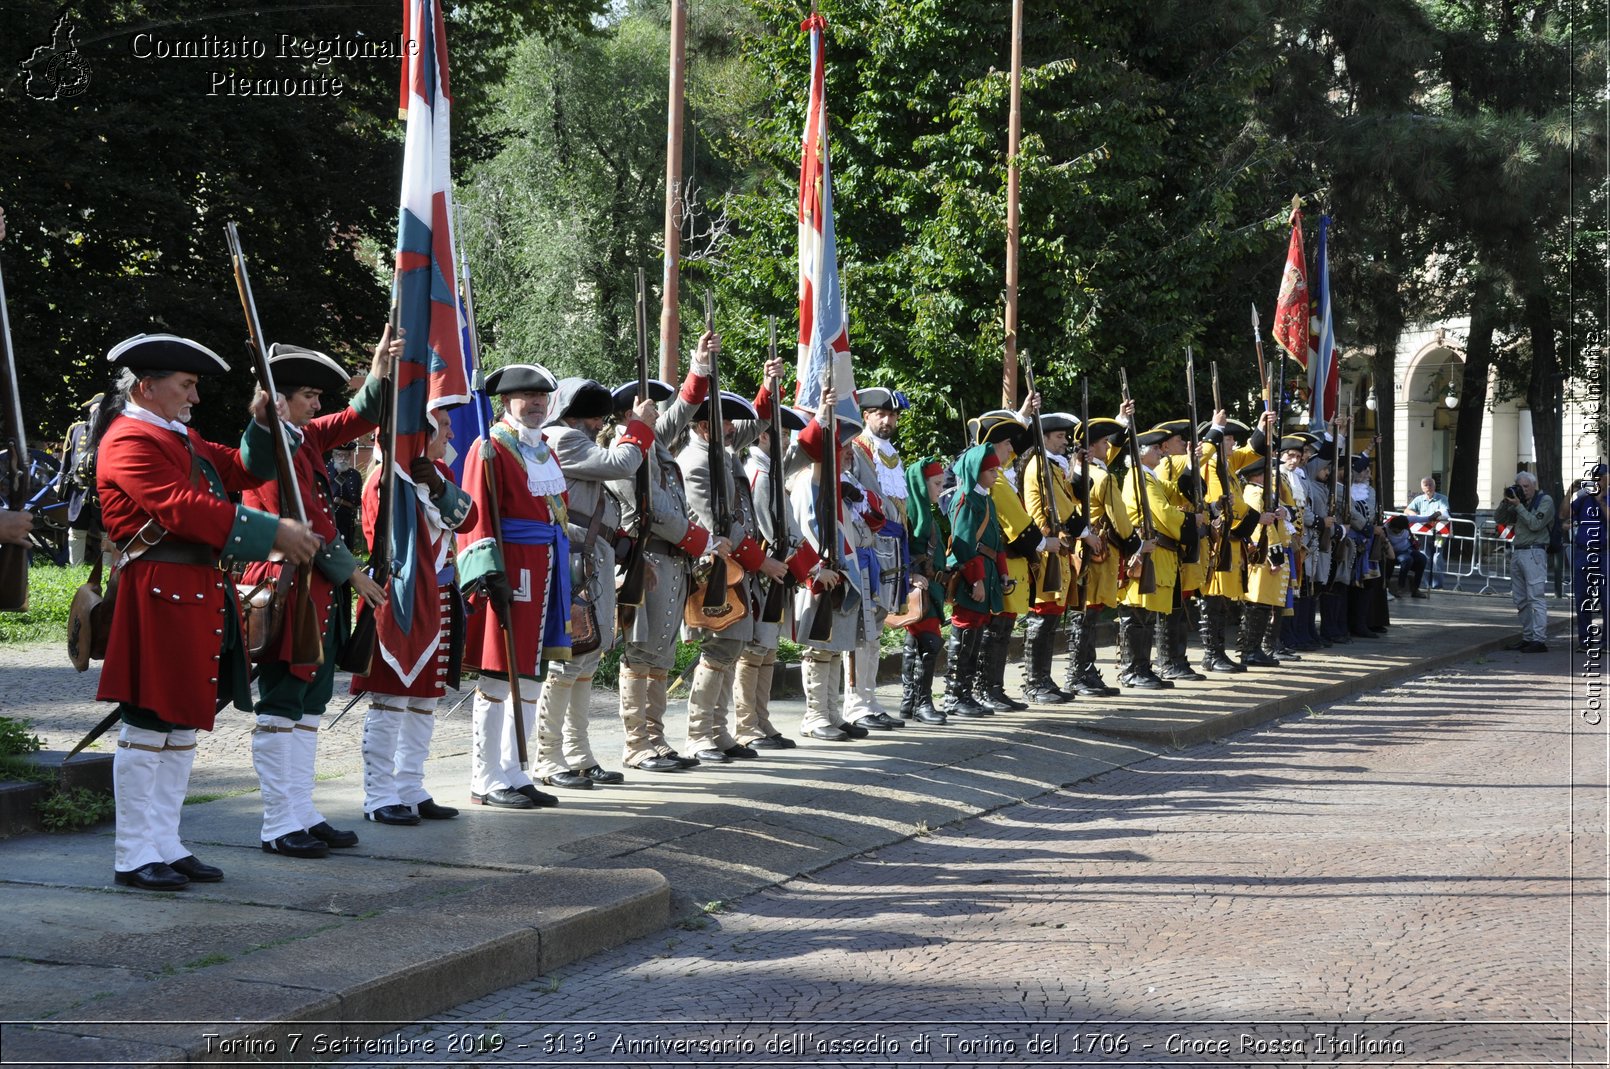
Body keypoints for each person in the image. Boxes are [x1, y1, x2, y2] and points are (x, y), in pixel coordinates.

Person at [95, 333, 320, 890]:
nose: (194, 397)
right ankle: (132, 853)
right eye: (187, 385)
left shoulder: (180, 437)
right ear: (147, 388)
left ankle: (165, 843)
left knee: (182, 725)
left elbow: (243, 470)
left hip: (193, 592)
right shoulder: (128, 439)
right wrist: (272, 531)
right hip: (156, 591)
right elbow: (181, 508)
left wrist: (263, 422)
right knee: (147, 723)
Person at [241, 340, 391, 859]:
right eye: (307, 395)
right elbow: (303, 522)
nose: (317, 406)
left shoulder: (301, 437)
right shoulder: (267, 444)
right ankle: (278, 823)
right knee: (282, 705)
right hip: (288, 586)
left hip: (315, 588)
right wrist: (351, 572)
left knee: (309, 705)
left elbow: (359, 417)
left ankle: (301, 811)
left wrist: (376, 371)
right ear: (278, 400)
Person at [529, 377, 655, 789]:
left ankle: (579, 755)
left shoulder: (577, 441)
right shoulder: (562, 438)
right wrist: (639, 426)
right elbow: (622, 464)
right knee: (567, 659)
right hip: (572, 560)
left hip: (591, 557)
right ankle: (548, 757)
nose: (597, 422)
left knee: (586, 658)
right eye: (592, 414)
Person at [351, 416, 475, 825]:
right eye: (442, 426)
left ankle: (410, 787)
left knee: (424, 700)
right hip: (399, 599)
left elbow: (468, 519)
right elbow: (387, 546)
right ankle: (379, 794)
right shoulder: (383, 480)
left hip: (437, 596)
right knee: (391, 701)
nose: (451, 433)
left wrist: (438, 488)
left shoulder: (439, 473)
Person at [609, 339, 725, 772]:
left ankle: (655, 739)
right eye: (650, 407)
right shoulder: (627, 451)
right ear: (629, 412)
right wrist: (697, 539)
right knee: (641, 653)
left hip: (671, 561)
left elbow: (684, 408)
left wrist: (699, 366)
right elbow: (652, 510)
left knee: (660, 653)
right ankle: (637, 744)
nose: (659, 412)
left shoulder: (652, 445)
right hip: (648, 560)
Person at [458, 363, 569, 809]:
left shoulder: (544, 449)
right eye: (527, 397)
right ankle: (486, 778)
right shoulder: (489, 448)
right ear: (507, 402)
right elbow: (475, 516)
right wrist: (488, 573)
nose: (537, 404)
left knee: (529, 676)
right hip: (509, 572)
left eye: (542, 397)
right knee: (496, 676)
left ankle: (515, 770)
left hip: (546, 570)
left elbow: (556, 514)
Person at [790, 389, 872, 741]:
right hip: (818, 576)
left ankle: (832, 713)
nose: (847, 450)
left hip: (838, 574)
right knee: (818, 647)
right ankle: (814, 716)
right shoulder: (809, 484)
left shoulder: (832, 484)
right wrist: (819, 570)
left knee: (835, 647)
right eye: (841, 445)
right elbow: (806, 528)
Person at [1063, 410, 1137, 696]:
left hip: (1086, 549)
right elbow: (1119, 517)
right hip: (1096, 550)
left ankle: (1085, 669)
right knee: (1087, 612)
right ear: (1091, 447)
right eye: (1104, 443)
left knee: (1088, 612)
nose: (1109, 447)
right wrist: (1135, 544)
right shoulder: (1101, 478)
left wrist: (1121, 421)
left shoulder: (1080, 472)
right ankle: (1078, 673)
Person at [1019, 412, 1081, 703]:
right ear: (1043, 438)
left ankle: (1043, 678)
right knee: (1042, 616)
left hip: (1056, 547)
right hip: (1045, 548)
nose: (1065, 441)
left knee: (1053, 615)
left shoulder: (1053, 466)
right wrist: (1085, 531)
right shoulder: (1040, 466)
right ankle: (1034, 682)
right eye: (1059, 436)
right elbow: (1064, 509)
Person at [942, 443, 1008, 716]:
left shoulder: (986, 499)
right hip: (974, 578)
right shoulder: (965, 499)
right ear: (976, 471)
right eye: (990, 470)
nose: (996, 473)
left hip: (989, 575)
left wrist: (1002, 572)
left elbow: (997, 541)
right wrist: (976, 580)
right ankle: (954, 696)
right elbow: (963, 544)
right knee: (965, 631)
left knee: (977, 633)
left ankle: (967, 693)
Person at [896, 456, 949, 723]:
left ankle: (910, 702)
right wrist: (911, 574)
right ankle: (922, 703)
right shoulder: (912, 511)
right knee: (929, 641)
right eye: (936, 483)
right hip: (919, 589)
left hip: (931, 587)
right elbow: (899, 547)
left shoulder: (924, 509)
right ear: (921, 483)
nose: (941, 489)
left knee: (916, 642)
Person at [1495, 471, 1553, 653]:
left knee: (1536, 597)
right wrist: (1506, 502)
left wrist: (1519, 506)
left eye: (1526, 487)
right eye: (1520, 487)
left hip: (1534, 552)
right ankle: (1528, 637)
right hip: (1518, 552)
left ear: (1534, 486)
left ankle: (1539, 640)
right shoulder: (1519, 501)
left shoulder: (1545, 501)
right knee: (1520, 599)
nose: (1523, 490)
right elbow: (1499, 519)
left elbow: (1536, 524)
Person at [1572, 464, 1606, 651]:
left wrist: (1601, 501)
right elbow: (1563, 514)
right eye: (1595, 477)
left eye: (1601, 477)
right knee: (1582, 598)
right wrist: (1572, 492)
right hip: (1583, 552)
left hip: (1604, 553)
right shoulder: (1583, 499)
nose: (1597, 480)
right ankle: (1585, 640)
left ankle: (1607, 641)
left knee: (1606, 599)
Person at [1405, 475, 1451, 589]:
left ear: (1435, 486)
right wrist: (1414, 515)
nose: (1429, 487)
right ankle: (1427, 585)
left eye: (1431, 484)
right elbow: (1407, 510)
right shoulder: (1418, 499)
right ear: (1422, 488)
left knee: (1437, 558)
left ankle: (1437, 586)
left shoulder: (1442, 498)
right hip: (1423, 534)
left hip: (1439, 533)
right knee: (1425, 557)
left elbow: (1445, 511)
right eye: (1426, 485)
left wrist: (1438, 514)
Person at [325, 443, 363, 554]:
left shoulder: (355, 475)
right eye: (339, 455)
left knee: (346, 548)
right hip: (329, 517)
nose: (343, 459)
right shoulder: (325, 471)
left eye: (346, 455)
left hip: (347, 519)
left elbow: (357, 501)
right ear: (333, 455)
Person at [1384, 515, 1428, 597]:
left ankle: (1415, 589)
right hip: (1394, 552)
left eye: (1401, 530)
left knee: (1422, 559)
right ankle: (1400, 586)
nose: (1398, 532)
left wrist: (1430, 517)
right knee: (1407, 559)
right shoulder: (1385, 529)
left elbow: (1417, 518)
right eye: (1396, 530)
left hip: (1408, 549)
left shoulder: (1404, 521)